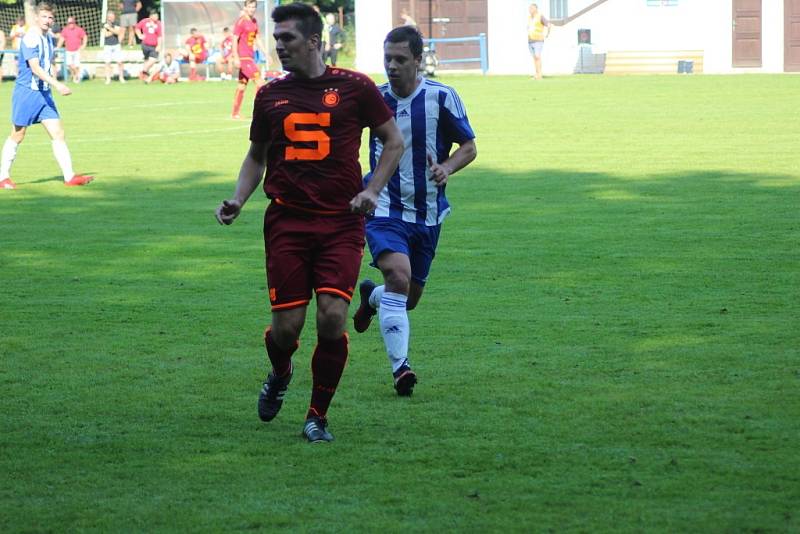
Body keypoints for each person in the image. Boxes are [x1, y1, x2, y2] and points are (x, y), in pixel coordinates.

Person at [214, 3, 403, 443]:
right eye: (276, 39)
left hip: (341, 222)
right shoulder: (269, 94)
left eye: (287, 39)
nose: (279, 46)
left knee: (333, 317)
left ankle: (317, 415)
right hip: (288, 222)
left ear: (314, 41)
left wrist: (371, 190)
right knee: (287, 328)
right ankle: (280, 371)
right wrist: (239, 198)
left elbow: (393, 142)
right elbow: (256, 156)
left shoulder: (354, 87)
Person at [352, 25, 477, 396]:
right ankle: (401, 369)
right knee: (399, 275)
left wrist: (446, 168)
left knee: (407, 299)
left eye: (400, 59)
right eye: (387, 58)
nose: (391, 66)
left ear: (418, 61)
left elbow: (468, 147)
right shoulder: (373, 99)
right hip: (383, 205)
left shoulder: (441, 97)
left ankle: (372, 297)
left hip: (427, 213)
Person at [0, 3, 93, 190]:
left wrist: (53, 78)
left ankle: (69, 176)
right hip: (27, 93)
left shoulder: (48, 38)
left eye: (50, 17)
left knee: (58, 133)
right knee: (18, 135)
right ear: (36, 17)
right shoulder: (30, 38)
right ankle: (3, 177)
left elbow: (47, 63)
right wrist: (57, 84)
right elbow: (35, 67)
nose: (47, 21)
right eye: (44, 17)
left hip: (44, 94)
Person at [230, 0, 267, 119]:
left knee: (242, 85)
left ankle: (235, 113)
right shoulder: (241, 22)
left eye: (253, 7)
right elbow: (234, 39)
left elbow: (257, 38)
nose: (252, 9)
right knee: (260, 83)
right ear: (245, 8)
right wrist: (235, 56)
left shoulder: (254, 21)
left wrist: (266, 53)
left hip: (250, 57)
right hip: (243, 58)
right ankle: (259, 112)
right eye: (249, 7)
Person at [56, 17, 87, 83]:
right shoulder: (65, 30)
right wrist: (58, 47)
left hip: (77, 50)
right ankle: (77, 75)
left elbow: (84, 36)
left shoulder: (79, 29)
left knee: (77, 65)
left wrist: (84, 45)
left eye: (72, 23)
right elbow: (62, 39)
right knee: (69, 64)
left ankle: (75, 78)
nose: (71, 24)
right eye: (70, 23)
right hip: (68, 50)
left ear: (74, 23)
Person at [527, 3, 551, 80]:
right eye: (529, 8)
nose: (530, 10)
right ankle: (537, 74)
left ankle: (539, 75)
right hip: (530, 40)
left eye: (532, 8)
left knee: (538, 57)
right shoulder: (529, 17)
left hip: (538, 40)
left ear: (536, 9)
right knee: (534, 58)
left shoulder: (540, 16)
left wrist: (547, 34)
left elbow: (548, 25)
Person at [135, 10, 161, 81]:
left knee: (153, 60)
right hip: (145, 44)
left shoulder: (158, 24)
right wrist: (140, 35)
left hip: (154, 46)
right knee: (146, 60)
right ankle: (145, 76)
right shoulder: (145, 21)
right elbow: (137, 28)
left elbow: (159, 36)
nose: (156, 17)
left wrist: (159, 45)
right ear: (151, 16)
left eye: (157, 16)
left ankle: (143, 71)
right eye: (155, 16)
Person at [102, 11, 126, 84]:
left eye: (113, 17)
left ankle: (121, 78)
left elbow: (118, 32)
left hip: (116, 44)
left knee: (120, 62)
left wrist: (109, 28)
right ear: (107, 18)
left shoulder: (117, 23)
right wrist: (114, 30)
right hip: (107, 45)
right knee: (107, 62)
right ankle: (108, 79)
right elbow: (105, 35)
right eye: (110, 17)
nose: (111, 18)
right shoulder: (103, 24)